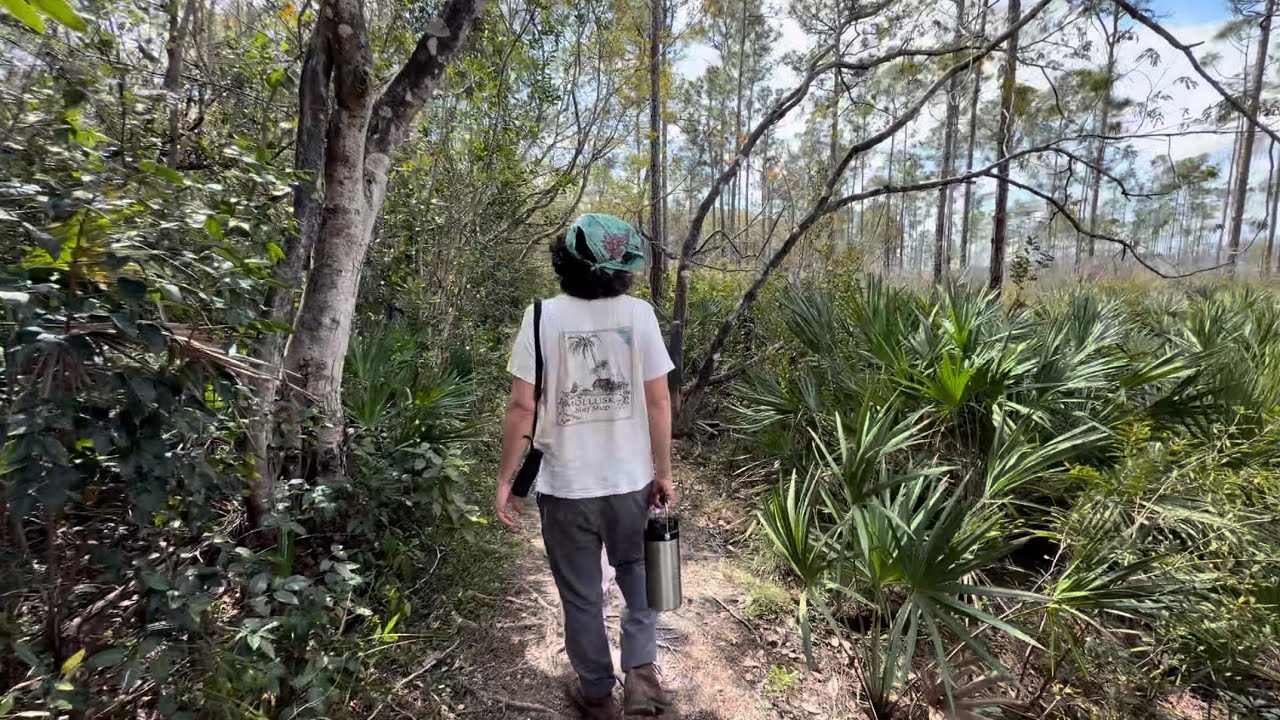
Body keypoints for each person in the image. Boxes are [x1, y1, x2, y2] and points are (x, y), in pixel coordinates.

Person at [496, 213, 677, 719]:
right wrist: (663, 471)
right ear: (623, 267)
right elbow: (660, 402)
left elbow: (521, 407)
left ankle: (597, 694)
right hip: (630, 482)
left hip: (567, 485)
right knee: (638, 574)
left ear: (566, 261)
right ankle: (641, 676)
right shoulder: (639, 316)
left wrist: (506, 479)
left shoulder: (541, 317)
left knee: (581, 595)